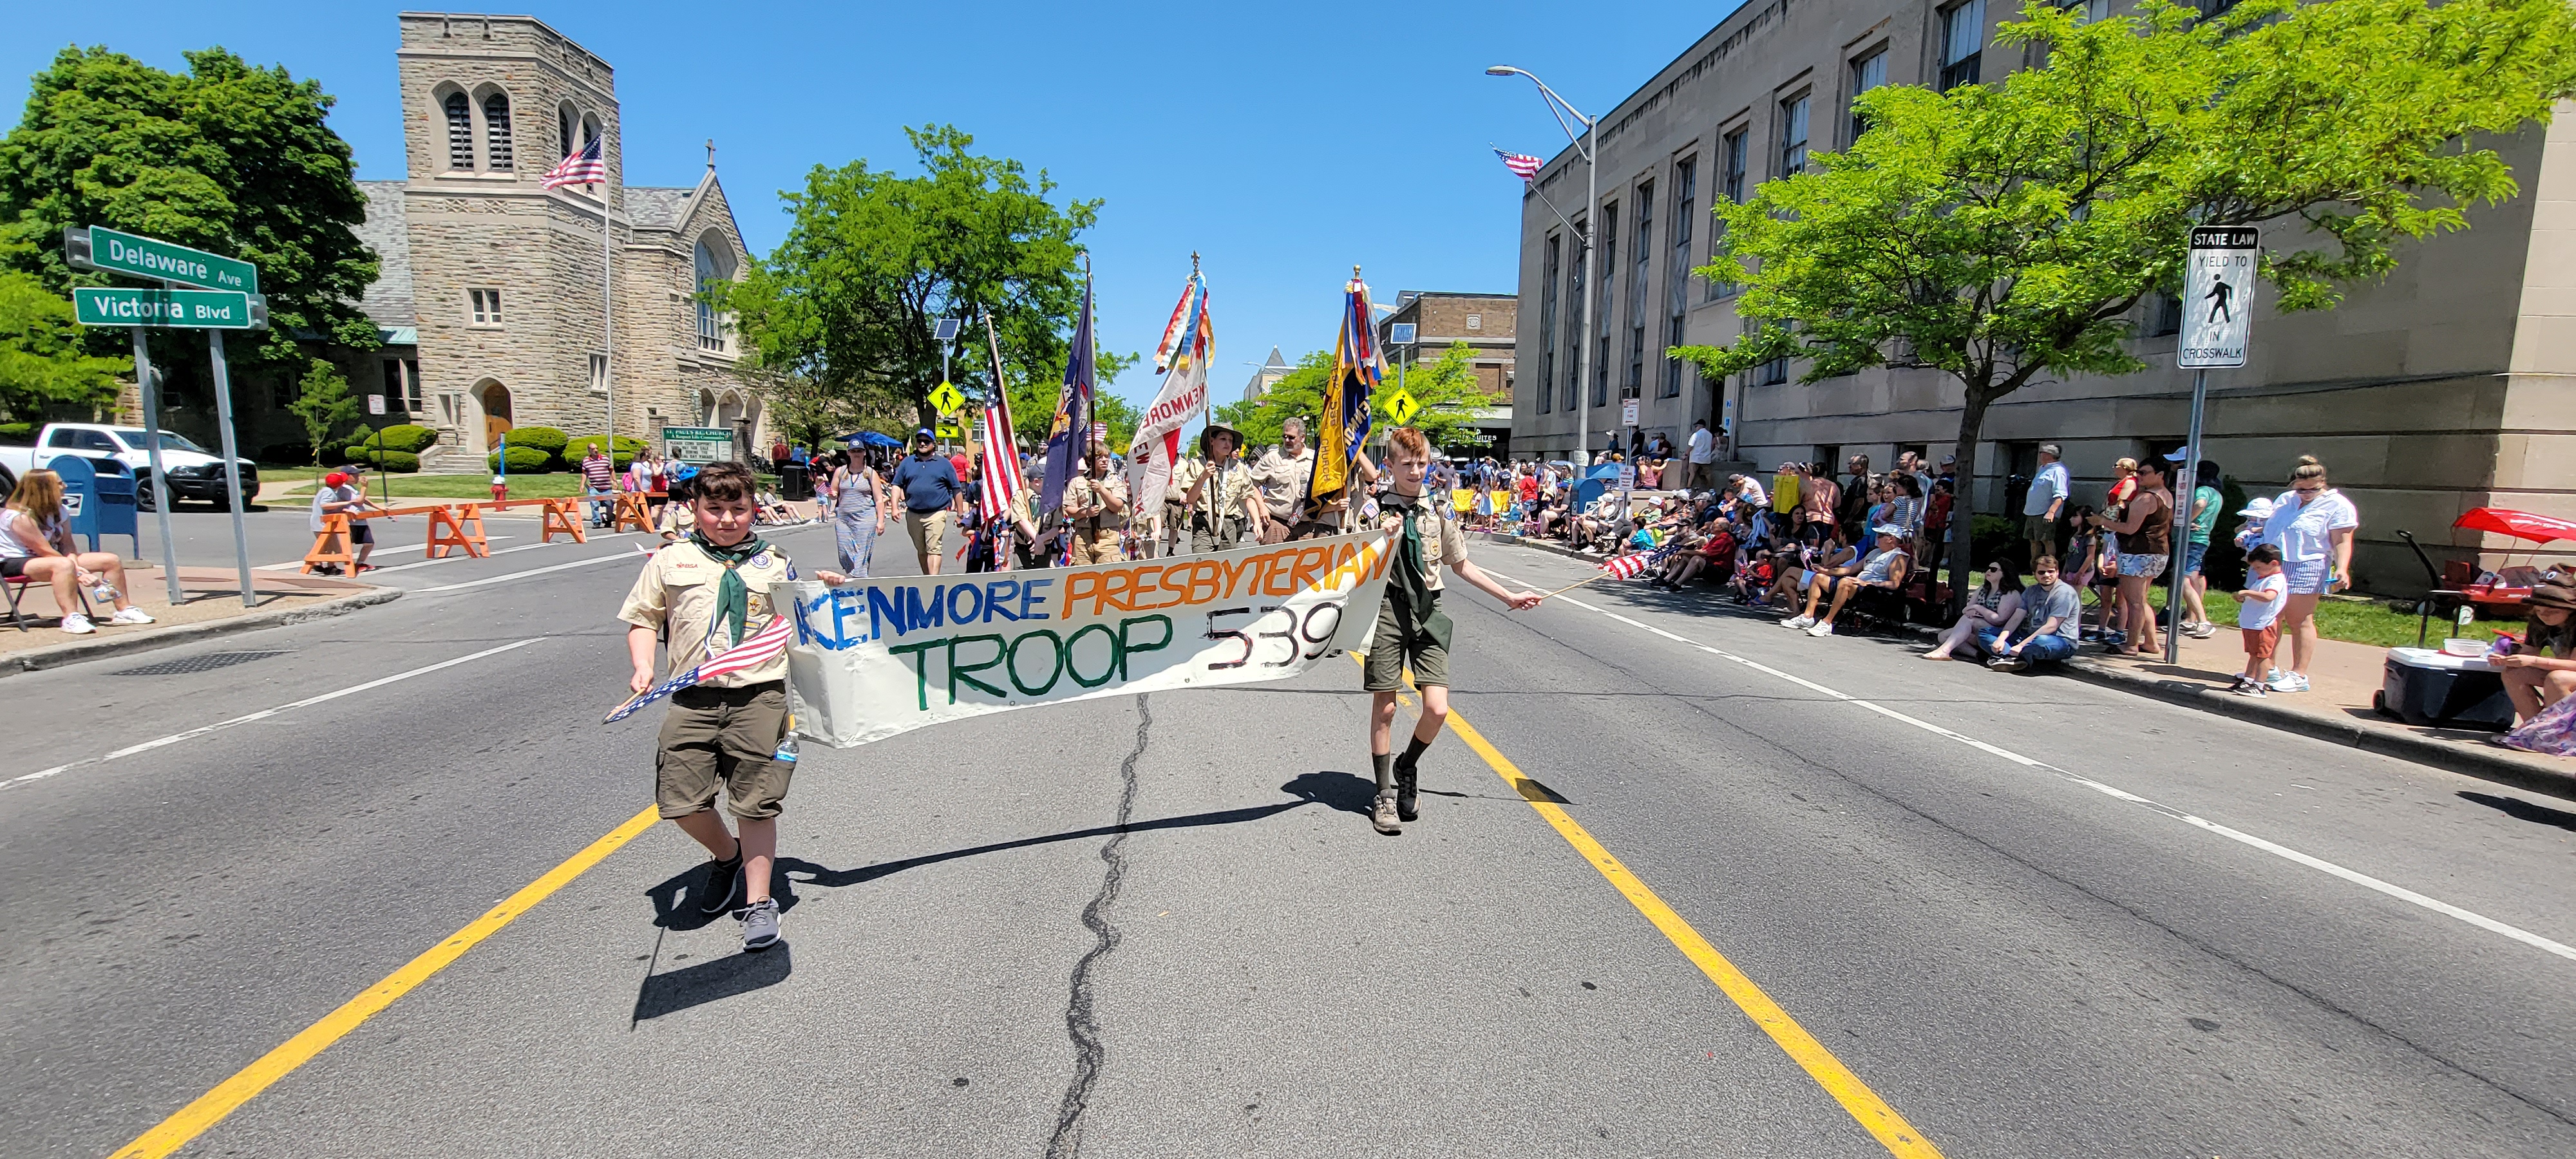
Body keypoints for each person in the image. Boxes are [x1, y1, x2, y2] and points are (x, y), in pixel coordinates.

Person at [621, 460, 849, 953]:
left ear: (753, 510)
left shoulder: (773, 561)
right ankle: (727, 857)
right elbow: (643, 618)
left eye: (738, 509)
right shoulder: (669, 560)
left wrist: (829, 591)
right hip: (692, 696)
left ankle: (760, 900)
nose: (727, 519)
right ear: (694, 509)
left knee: (756, 800)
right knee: (680, 802)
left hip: (758, 694)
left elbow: (803, 615)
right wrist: (643, 666)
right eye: (715, 509)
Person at [1361, 426, 1544, 835]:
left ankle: (1407, 766)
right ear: (1389, 465)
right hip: (1388, 608)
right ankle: (1384, 794)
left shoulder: (1439, 510)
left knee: (1437, 708)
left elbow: (1461, 564)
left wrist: (1508, 596)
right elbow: (1351, 561)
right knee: (1386, 707)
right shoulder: (1373, 510)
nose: (1415, 471)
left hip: (1429, 609)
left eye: (1422, 464)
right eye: (1406, 464)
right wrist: (1377, 539)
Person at [1, 469, 153, 633]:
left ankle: (124, 610)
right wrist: (79, 573)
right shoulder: (18, 517)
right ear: (43, 489)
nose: (64, 486)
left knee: (111, 560)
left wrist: (75, 566)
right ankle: (71, 617)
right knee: (63, 566)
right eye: (59, 483)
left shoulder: (60, 511)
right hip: (15, 562)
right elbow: (43, 549)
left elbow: (67, 545)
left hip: (54, 559)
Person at [2259, 456, 2358, 693]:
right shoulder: (2286, 500)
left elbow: (2343, 541)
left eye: (2312, 489)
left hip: (2307, 564)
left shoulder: (2337, 504)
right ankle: (2267, 667)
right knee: (2271, 617)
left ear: (2323, 483)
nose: (2305, 493)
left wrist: (2342, 568)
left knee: (2299, 620)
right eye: (2300, 488)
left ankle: (2298, 675)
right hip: (2275, 564)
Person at [2089, 457, 2172, 657]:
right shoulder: (2167, 496)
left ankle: (2131, 644)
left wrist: (2103, 521)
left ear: (2160, 475)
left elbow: (2130, 528)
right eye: (2138, 472)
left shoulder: (2146, 498)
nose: (2139, 476)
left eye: (2144, 473)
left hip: (2138, 553)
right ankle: (2151, 642)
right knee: (2141, 600)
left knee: (2134, 602)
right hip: (2157, 552)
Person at [1779, 523, 1909, 639]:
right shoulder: (1875, 552)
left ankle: (1827, 623)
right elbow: (1851, 569)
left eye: (1881, 536)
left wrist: (1869, 583)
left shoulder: (1898, 558)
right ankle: (1807, 617)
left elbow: (1895, 584)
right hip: (1855, 584)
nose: (1877, 538)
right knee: (1818, 577)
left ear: (1891, 539)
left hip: (1872, 591)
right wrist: (1825, 571)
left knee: (1846, 582)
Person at [1983, 556, 2081, 671]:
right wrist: (2001, 639)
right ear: (2035, 574)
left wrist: (2021, 645)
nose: (2046, 575)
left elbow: (2051, 626)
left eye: (2051, 572)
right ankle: (2017, 658)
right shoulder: (2031, 591)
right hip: (2029, 636)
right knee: (1985, 632)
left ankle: (2012, 657)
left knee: (2041, 642)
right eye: (2042, 572)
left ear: (2057, 572)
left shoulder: (2064, 593)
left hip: (2060, 641)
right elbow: (2016, 618)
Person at [888, 429, 965, 575]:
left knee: (934, 548)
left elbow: (956, 488)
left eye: (927, 441)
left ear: (933, 444)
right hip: (914, 513)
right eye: (920, 441)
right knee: (922, 550)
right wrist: (894, 508)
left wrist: (960, 513)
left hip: (937, 512)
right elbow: (897, 485)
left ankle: (933, 581)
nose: (922, 443)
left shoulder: (944, 464)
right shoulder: (907, 462)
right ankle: (927, 578)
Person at [2497, 583, 2576, 721]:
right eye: (2539, 611)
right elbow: (2529, 654)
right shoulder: (2539, 623)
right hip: (2566, 672)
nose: (2544, 616)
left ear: (2570, 610)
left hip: (2568, 672)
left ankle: (2561, 731)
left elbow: (2574, 665)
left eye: (2552, 611)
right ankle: (2532, 729)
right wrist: (2508, 659)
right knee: (2513, 673)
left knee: (2557, 679)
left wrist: (2534, 661)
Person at [1925, 563, 2023, 661]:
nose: (1988, 571)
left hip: (1998, 633)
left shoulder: (2010, 593)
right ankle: (1977, 655)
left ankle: (1944, 651)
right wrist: (1975, 611)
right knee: (1943, 636)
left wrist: (1978, 608)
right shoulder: (1983, 589)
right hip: (1979, 629)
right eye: (1988, 568)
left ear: (2005, 573)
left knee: (1969, 620)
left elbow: (1999, 620)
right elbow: (1966, 610)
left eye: (1993, 569)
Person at [1186, 424, 1261, 553]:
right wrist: (1203, 477)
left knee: (1225, 567)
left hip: (1229, 523)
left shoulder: (1239, 468)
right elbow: (1190, 499)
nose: (1227, 444)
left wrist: (1257, 521)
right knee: (1203, 565)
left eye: (1230, 441)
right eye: (1223, 439)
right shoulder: (1198, 465)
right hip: (1204, 522)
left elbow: (1248, 498)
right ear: (1212, 441)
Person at [2231, 544, 2288, 697]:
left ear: (2274, 564)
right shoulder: (2265, 579)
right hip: (2253, 623)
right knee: (2254, 654)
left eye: (2258, 567)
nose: (2255, 570)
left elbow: (2269, 597)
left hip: (2264, 624)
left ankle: (2259, 684)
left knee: (2263, 656)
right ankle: (2249, 679)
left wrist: (2247, 592)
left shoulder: (2275, 580)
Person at [2177, 457, 2224, 638]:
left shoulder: (2203, 491)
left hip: (2193, 538)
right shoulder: (2218, 494)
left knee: (2183, 579)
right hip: (2203, 538)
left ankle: (2203, 621)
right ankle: (2191, 620)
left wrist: (2186, 520)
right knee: (2192, 577)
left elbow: (2200, 503)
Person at [1063, 442, 1130, 565]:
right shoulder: (1077, 482)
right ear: (1090, 459)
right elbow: (1070, 510)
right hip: (1083, 538)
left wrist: (1102, 490)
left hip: (1108, 538)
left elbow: (1117, 506)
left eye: (1107, 456)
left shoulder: (1115, 480)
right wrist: (1086, 512)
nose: (1104, 460)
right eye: (1100, 457)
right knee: (1082, 578)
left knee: (1107, 578)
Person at [310, 467, 388, 574]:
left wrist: (345, 509)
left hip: (323, 523)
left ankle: (318, 564)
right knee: (335, 549)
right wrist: (357, 494)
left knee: (327, 546)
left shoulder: (330, 491)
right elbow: (325, 506)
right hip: (323, 524)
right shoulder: (329, 492)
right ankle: (329, 568)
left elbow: (333, 507)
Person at [829, 448, 887, 578]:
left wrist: (881, 521)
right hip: (844, 519)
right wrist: (832, 494)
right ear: (849, 453)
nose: (856, 454)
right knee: (844, 553)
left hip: (865, 518)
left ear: (864, 453)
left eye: (859, 451)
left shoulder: (871, 473)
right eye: (853, 451)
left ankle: (860, 582)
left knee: (862, 554)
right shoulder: (841, 471)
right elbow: (834, 493)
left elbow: (879, 500)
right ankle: (856, 574)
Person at [2024, 443, 2069, 567]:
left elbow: (2061, 495)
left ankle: (2050, 568)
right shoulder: (2043, 469)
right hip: (2032, 512)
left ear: (2049, 455)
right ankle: (2035, 568)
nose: (2040, 455)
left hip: (2044, 513)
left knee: (2046, 540)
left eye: (2042, 453)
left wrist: (2051, 512)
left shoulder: (2058, 471)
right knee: (2033, 540)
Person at [580, 443, 618, 527]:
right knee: (594, 503)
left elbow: (611, 470)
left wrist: (614, 481)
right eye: (593, 449)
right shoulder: (586, 461)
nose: (596, 451)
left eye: (597, 448)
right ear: (589, 450)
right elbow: (585, 474)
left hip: (606, 487)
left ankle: (609, 519)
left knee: (609, 504)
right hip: (594, 487)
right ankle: (596, 522)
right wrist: (582, 485)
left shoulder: (605, 459)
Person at [1685, 420, 1716, 491]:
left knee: (1692, 473)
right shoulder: (1710, 434)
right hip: (1706, 457)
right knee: (1708, 474)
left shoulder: (1696, 434)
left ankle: (1688, 488)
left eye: (1696, 426)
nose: (1696, 428)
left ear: (1700, 426)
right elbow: (1712, 446)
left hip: (1695, 457)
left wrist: (1686, 454)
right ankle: (1711, 488)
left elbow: (1691, 446)